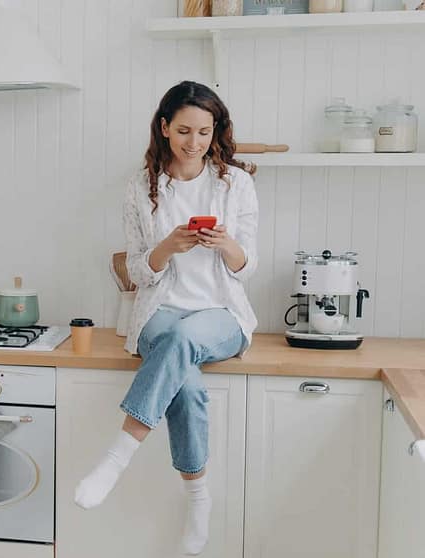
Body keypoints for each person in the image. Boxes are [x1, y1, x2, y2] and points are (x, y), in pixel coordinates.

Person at [74, 80, 259, 556]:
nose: (193, 142)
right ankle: (198, 496)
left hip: (220, 314)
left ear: (215, 131)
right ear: (164, 128)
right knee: (187, 381)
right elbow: (138, 269)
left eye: (203, 131)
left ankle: (118, 456)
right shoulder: (141, 187)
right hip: (160, 311)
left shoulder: (236, 183)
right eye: (183, 131)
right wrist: (167, 248)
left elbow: (248, 266)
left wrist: (227, 247)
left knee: (184, 340)